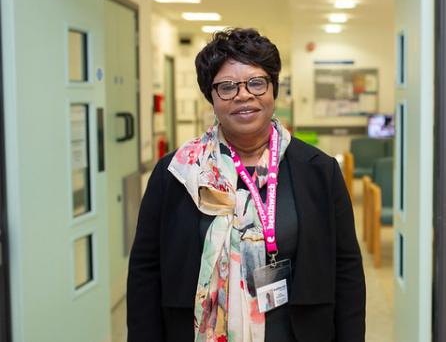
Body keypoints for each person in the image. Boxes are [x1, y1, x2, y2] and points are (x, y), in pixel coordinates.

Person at [127, 28, 365, 342]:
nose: (243, 95)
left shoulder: (319, 171)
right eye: (227, 87)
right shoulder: (177, 172)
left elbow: (346, 269)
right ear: (210, 97)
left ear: (273, 90)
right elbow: (146, 270)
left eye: (256, 82)